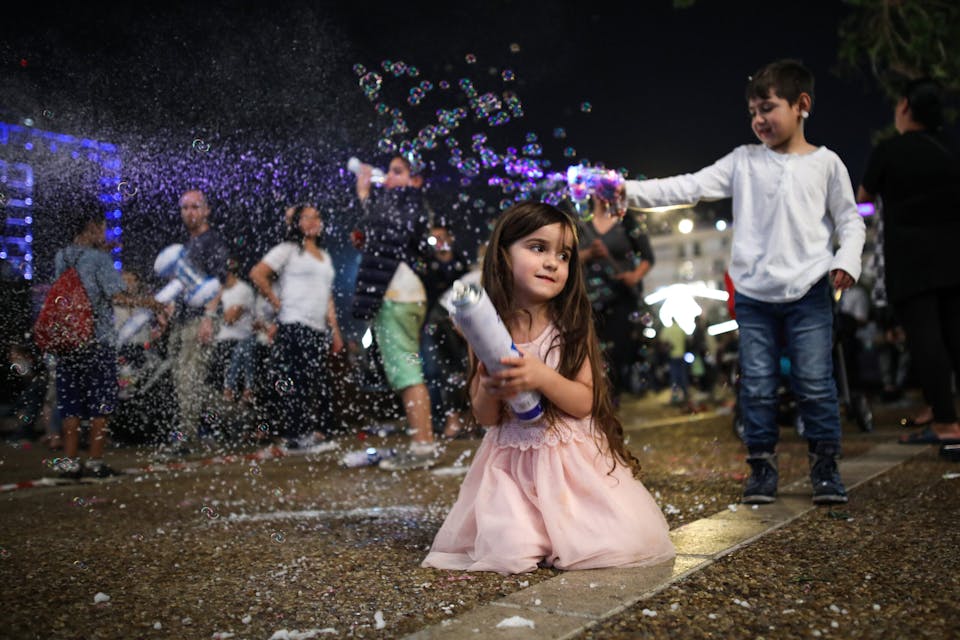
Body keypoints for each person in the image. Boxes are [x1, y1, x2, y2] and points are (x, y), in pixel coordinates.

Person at [623, 60, 865, 505]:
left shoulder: (828, 163)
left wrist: (847, 258)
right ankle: (761, 468)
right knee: (755, 384)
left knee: (815, 382)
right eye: (753, 111)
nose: (759, 119)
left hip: (810, 290)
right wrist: (628, 192)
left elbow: (850, 220)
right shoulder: (742, 161)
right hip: (753, 294)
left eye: (769, 107)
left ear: (802, 105)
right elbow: (689, 187)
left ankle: (826, 468)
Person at [421, 202, 675, 574]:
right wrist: (490, 387)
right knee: (509, 547)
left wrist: (542, 376)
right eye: (538, 248)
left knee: (602, 539)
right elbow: (485, 417)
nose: (554, 262)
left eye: (564, 254)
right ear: (503, 255)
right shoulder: (486, 328)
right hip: (509, 465)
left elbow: (584, 402)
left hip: (568, 465)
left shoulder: (570, 324)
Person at [857, 77, 960, 446]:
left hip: (911, 259)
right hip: (954, 255)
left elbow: (864, 197)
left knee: (926, 339)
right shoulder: (950, 146)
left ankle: (947, 423)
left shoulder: (890, 151)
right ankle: (945, 412)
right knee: (955, 334)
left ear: (904, 107)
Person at [52, 205, 162, 477]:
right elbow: (118, 296)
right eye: (102, 228)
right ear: (91, 228)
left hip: (69, 341)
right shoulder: (99, 261)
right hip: (97, 340)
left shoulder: (62, 256)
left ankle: (70, 462)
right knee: (101, 401)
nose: (105, 233)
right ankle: (95, 462)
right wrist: (151, 303)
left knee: (71, 403)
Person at [351, 155, 439, 470]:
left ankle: (423, 446)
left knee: (406, 371)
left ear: (415, 180)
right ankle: (422, 442)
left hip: (396, 295)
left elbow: (381, 231)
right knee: (407, 369)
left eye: (397, 172)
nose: (388, 176)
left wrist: (363, 195)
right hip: (405, 294)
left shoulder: (407, 200)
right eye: (388, 170)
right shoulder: (407, 205)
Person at [250, 204, 343, 448]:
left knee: (317, 378)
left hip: (318, 326)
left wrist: (335, 329)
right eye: (306, 217)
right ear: (297, 223)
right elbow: (258, 274)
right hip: (293, 323)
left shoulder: (325, 257)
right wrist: (278, 303)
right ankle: (296, 435)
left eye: (317, 216)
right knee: (294, 381)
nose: (313, 221)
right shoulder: (288, 250)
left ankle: (319, 432)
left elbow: (328, 295)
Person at [163, 189, 228, 456]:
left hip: (200, 319)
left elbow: (218, 282)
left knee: (189, 380)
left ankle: (188, 438)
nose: (189, 212)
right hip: (183, 320)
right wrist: (166, 311)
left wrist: (209, 318)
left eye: (195, 207)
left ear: (206, 210)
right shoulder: (186, 247)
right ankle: (209, 430)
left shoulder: (213, 242)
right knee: (184, 381)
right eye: (185, 208)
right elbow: (179, 284)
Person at [578, 197, 654, 402]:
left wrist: (634, 275)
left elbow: (648, 257)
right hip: (589, 300)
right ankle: (598, 402)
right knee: (592, 354)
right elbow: (567, 256)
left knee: (617, 353)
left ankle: (612, 401)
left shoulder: (627, 220)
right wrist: (589, 253)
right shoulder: (580, 222)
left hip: (621, 298)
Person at [214, 257, 256, 405]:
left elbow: (230, 319)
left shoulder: (244, 290)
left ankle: (232, 390)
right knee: (242, 349)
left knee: (243, 347)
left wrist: (216, 312)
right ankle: (243, 390)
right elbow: (209, 310)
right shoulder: (221, 291)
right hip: (222, 338)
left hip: (241, 336)